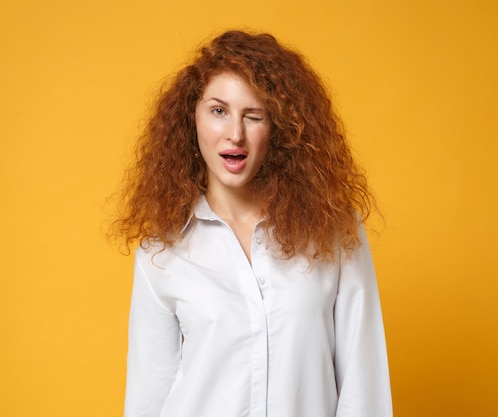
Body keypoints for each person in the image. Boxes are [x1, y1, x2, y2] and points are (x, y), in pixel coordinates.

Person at [114, 30, 392, 417]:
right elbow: (149, 394)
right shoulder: (162, 250)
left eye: (254, 115)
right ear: (190, 119)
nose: (235, 133)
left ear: (278, 127)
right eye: (218, 111)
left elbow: (365, 388)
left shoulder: (334, 231)